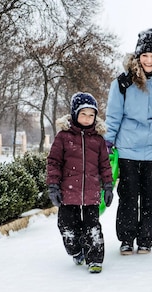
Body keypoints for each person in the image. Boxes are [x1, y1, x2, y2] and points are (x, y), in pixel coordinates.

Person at [104, 28, 152, 255]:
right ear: (138, 57)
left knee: (151, 198)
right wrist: (107, 143)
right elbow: (114, 115)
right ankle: (127, 238)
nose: (149, 60)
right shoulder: (122, 83)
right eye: (145, 56)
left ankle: (146, 239)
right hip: (127, 148)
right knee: (128, 197)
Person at [47, 92, 114, 274]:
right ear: (75, 114)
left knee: (92, 228)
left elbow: (105, 166)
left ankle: (95, 259)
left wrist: (108, 186)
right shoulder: (63, 137)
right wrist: (53, 186)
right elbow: (54, 162)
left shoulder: (98, 140)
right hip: (68, 193)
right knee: (67, 227)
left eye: (91, 115)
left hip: (91, 193)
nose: (87, 119)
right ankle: (76, 250)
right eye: (83, 114)